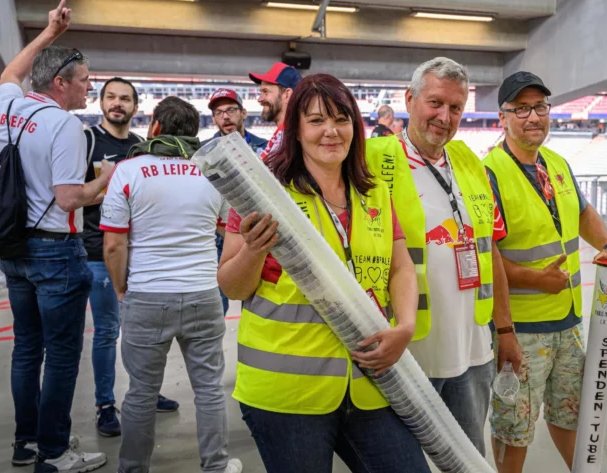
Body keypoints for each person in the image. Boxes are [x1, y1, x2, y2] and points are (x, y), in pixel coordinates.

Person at [218, 74, 430, 473]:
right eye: (316, 121)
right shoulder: (262, 191)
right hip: (286, 393)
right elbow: (232, 285)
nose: (331, 131)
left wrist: (405, 327)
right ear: (296, 130)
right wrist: (253, 248)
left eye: (341, 118)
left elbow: (400, 267)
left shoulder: (374, 192)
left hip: (369, 383)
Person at [365, 57, 522, 455]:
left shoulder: (469, 161)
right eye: (435, 103)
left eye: (455, 107)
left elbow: (491, 252)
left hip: (472, 351)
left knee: (469, 458)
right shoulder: (372, 161)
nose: (444, 116)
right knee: (402, 462)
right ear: (409, 99)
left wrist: (504, 330)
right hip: (407, 352)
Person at [483, 71, 607, 472]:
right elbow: (487, 254)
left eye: (541, 107)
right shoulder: (490, 174)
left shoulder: (557, 164)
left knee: (571, 412)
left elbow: (582, 212)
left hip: (568, 322)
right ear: (504, 117)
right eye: (522, 109)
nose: (534, 117)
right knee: (514, 426)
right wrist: (532, 286)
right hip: (521, 330)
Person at [0, 1, 108, 470]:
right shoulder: (64, 125)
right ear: (61, 84)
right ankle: (55, 453)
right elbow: (68, 199)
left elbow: (8, 73)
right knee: (60, 356)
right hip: (55, 251)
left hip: (12, 248)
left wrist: (49, 34)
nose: (89, 87)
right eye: (84, 80)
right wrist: (106, 181)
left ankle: (26, 444)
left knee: (26, 348)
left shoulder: (9, 108)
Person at [100, 97, 240, 473]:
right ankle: (216, 465)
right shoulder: (213, 173)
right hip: (203, 293)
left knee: (141, 393)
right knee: (209, 389)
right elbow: (228, 233)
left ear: (156, 128)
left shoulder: (128, 171)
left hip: (147, 294)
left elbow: (114, 243)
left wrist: (121, 289)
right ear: (194, 132)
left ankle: (132, 468)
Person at [82, 77, 179, 438]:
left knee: (144, 330)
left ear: (136, 107)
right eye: (111, 97)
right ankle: (105, 405)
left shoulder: (141, 147)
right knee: (107, 331)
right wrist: (112, 189)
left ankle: (145, 393)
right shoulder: (87, 141)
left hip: (140, 254)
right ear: (101, 102)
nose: (117, 104)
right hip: (99, 250)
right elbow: (70, 195)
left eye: (125, 98)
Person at [203, 87, 270, 316]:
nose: (225, 116)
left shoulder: (266, 148)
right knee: (216, 310)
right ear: (213, 118)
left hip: (257, 232)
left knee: (255, 300)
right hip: (216, 238)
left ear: (243, 113)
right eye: (219, 112)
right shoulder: (203, 153)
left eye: (231, 109)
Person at [249, 62, 302, 159]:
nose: (260, 99)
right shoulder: (283, 135)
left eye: (266, 92)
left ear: (287, 95)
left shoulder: (296, 138)